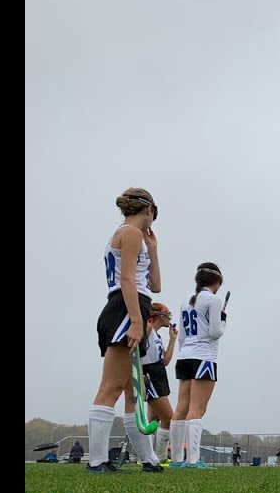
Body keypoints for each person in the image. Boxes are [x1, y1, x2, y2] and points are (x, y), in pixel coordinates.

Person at [86, 188, 161, 473]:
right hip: (124, 308)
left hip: (134, 306)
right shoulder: (129, 234)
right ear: (149, 210)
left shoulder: (139, 238)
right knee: (111, 388)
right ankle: (96, 461)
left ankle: (148, 460)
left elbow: (154, 285)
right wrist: (137, 322)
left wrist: (153, 250)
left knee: (134, 393)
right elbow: (127, 281)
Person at [169, 263, 227, 469]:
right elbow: (214, 332)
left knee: (181, 409)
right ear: (217, 281)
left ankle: (176, 460)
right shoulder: (214, 300)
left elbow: (183, 336)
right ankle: (193, 460)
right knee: (197, 409)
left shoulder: (186, 300)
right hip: (204, 358)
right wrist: (223, 321)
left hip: (185, 357)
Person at [139, 302, 177, 468]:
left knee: (153, 419)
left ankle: (146, 456)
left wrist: (172, 340)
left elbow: (166, 361)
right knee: (169, 419)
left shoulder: (157, 336)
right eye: (167, 314)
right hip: (150, 374)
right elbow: (138, 351)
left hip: (159, 373)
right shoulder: (147, 330)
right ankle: (158, 457)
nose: (169, 318)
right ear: (159, 317)